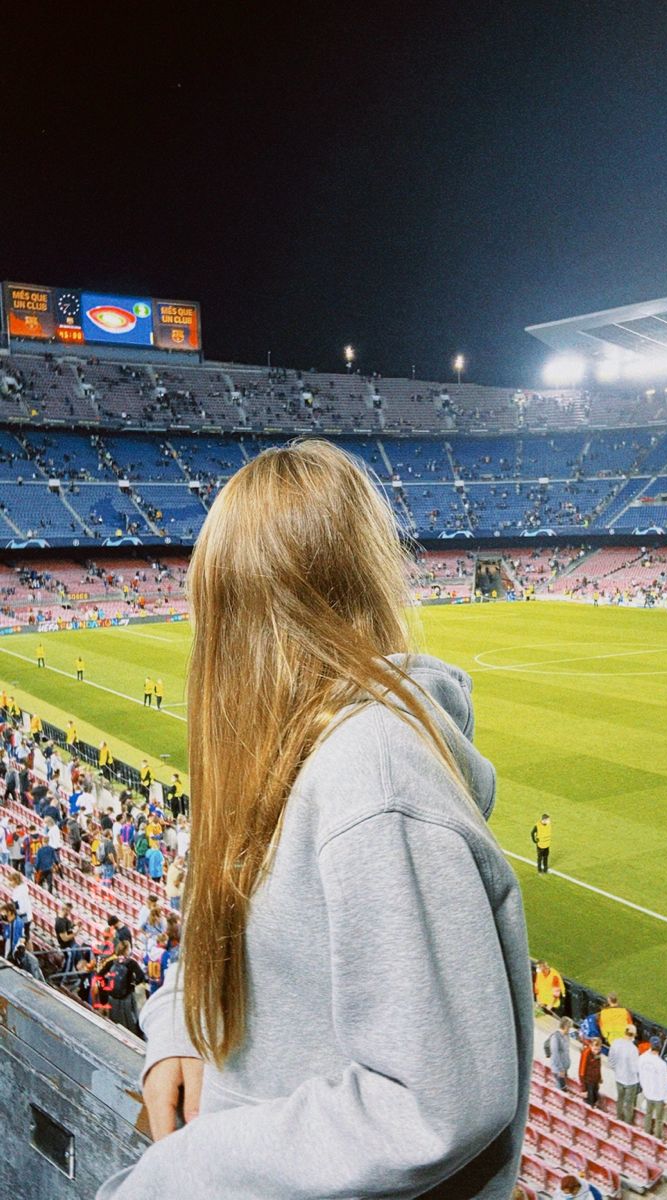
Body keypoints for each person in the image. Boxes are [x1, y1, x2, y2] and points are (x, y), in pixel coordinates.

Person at [96, 440, 533, 1200]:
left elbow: (437, 1100)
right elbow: (242, 960)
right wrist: (179, 1029)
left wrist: (190, 1168)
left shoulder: (370, 774)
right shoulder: (280, 750)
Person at [101, 941, 145, 1033]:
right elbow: (141, 976)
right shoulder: (131, 963)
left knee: (115, 1020)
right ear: (127, 950)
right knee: (130, 1020)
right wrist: (133, 984)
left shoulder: (111, 962)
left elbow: (100, 975)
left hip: (112, 997)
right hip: (127, 997)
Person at [638, 1036, 667, 1139]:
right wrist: (666, 1099)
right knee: (659, 1119)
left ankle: (647, 1134)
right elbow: (664, 1083)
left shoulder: (642, 1058)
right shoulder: (662, 1064)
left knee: (648, 1114)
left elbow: (639, 1073)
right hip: (659, 1096)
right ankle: (657, 1137)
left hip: (648, 1093)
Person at [608, 1023, 639, 1124]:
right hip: (630, 1081)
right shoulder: (633, 1049)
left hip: (619, 1078)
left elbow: (611, 1061)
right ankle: (627, 1124)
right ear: (633, 1035)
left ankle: (619, 1120)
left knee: (620, 1100)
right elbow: (635, 1069)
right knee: (628, 1104)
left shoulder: (616, 1043)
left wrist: (618, 1071)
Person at [545, 1016, 573, 1090]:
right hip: (558, 1069)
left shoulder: (566, 1036)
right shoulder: (556, 1037)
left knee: (563, 1087)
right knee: (560, 1088)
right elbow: (555, 1054)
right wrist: (560, 1069)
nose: (570, 1029)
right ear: (565, 1026)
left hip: (564, 1067)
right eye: (569, 1027)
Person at [579, 1036, 603, 1108]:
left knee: (595, 1098)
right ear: (591, 1046)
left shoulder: (598, 1055)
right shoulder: (586, 1053)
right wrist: (584, 1089)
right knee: (589, 1101)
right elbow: (581, 1072)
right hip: (588, 1081)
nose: (596, 1051)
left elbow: (598, 1067)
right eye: (595, 1049)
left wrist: (599, 1078)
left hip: (595, 1080)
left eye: (598, 1049)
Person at [9, 869, 32, 943]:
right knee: (26, 933)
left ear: (15, 880)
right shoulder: (22, 888)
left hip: (23, 915)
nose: (9, 883)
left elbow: (17, 905)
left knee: (24, 935)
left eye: (11, 880)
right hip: (24, 915)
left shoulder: (19, 891)